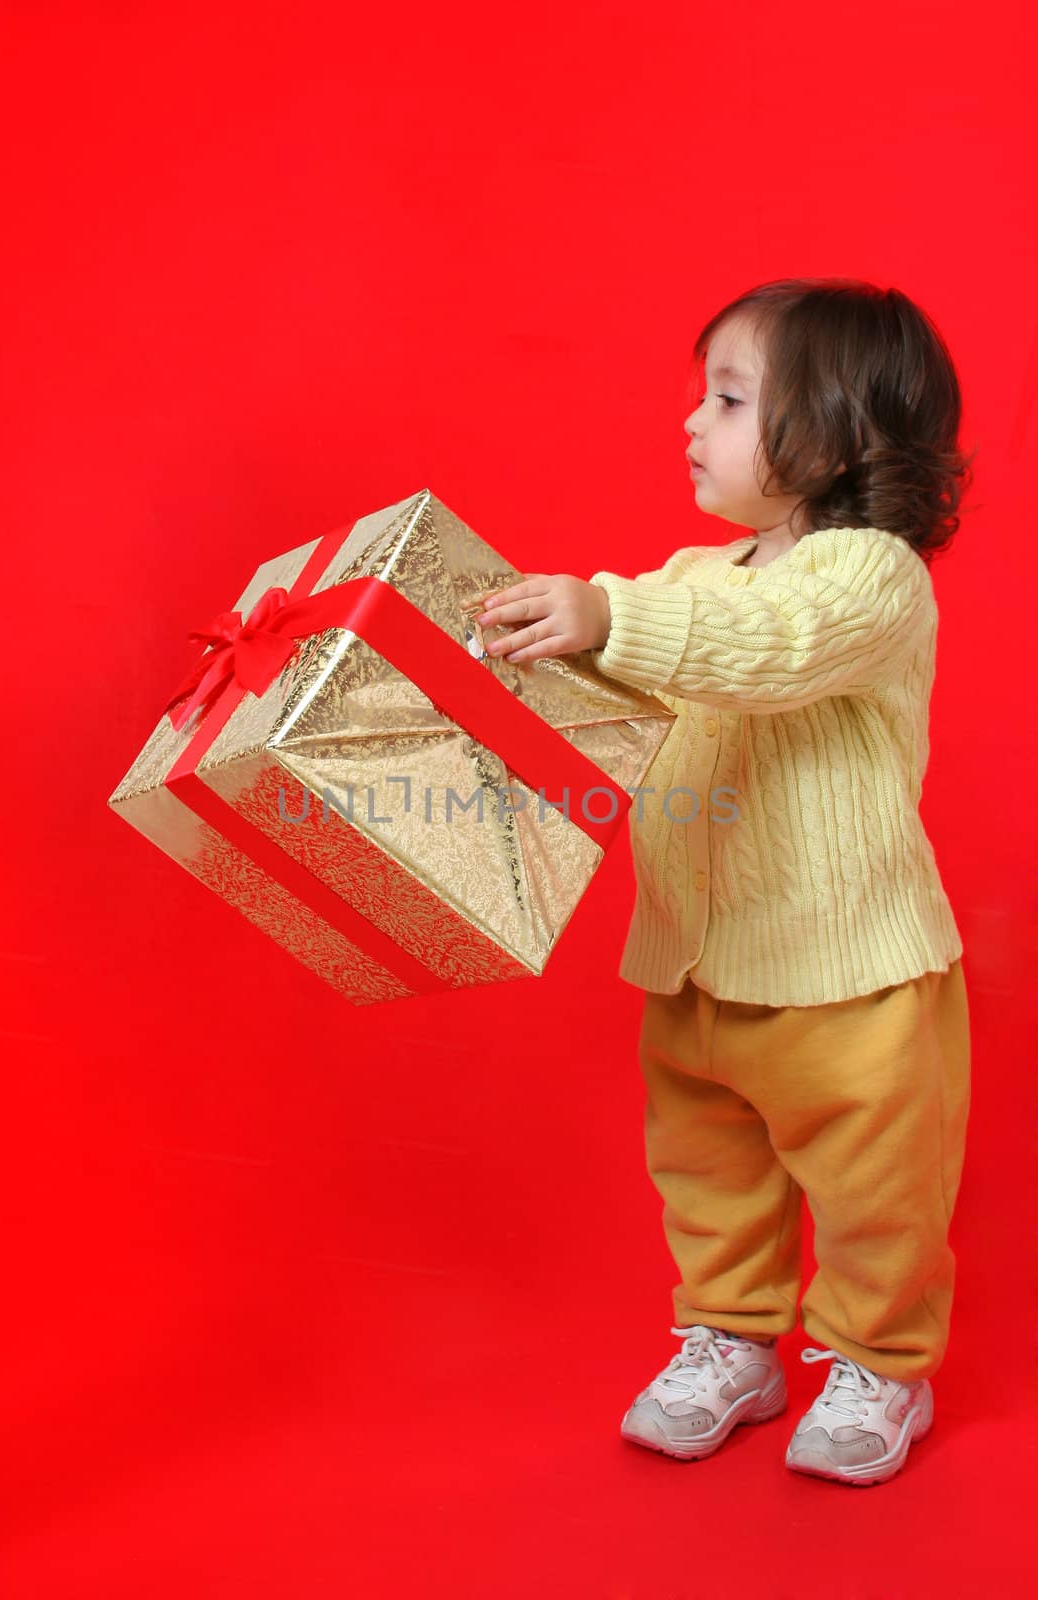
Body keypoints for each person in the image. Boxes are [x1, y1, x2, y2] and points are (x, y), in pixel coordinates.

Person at [470, 277, 975, 1488]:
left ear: (839, 431)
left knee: (873, 1188)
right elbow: (629, 685)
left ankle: (876, 1358)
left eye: (729, 399)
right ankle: (731, 1338)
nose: (691, 422)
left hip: (845, 968)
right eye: (702, 395)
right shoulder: (691, 577)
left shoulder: (870, 576)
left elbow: (773, 650)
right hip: (697, 955)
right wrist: (511, 650)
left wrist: (606, 613)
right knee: (705, 1170)